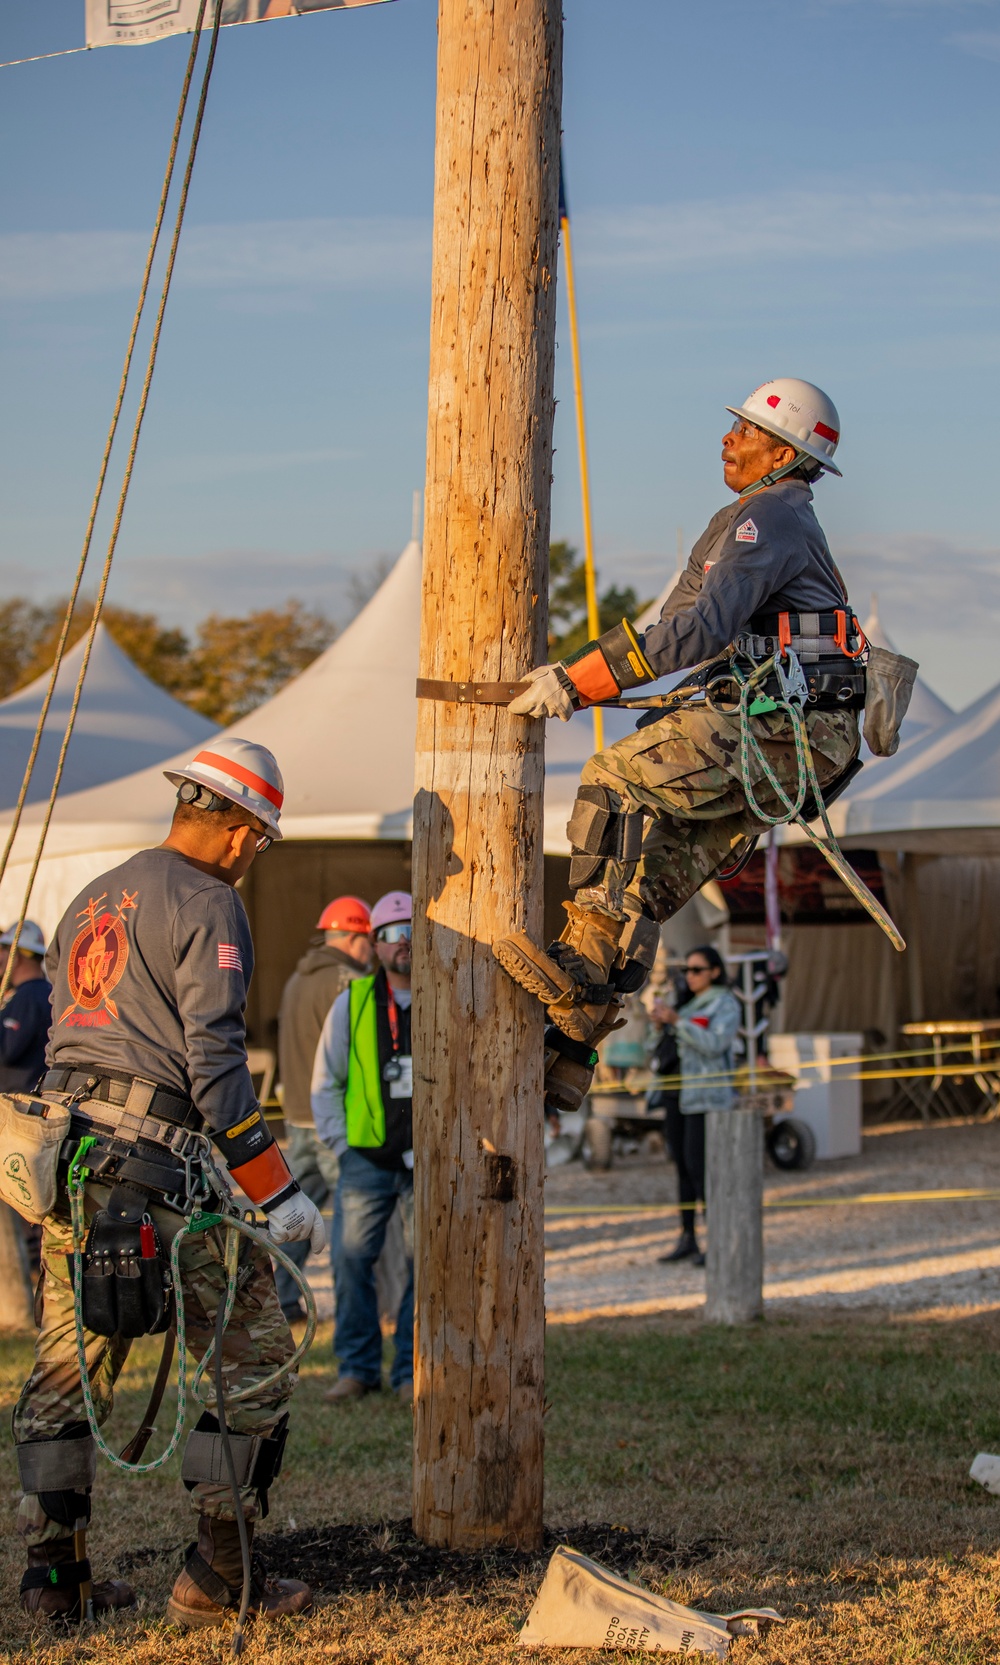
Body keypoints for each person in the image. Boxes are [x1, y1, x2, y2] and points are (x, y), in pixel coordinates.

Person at [12, 737, 324, 1627]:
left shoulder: (87, 897)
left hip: (73, 1173)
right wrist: (274, 1189)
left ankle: (53, 1582)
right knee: (256, 1357)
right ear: (237, 831)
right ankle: (220, 1576)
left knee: (70, 1370)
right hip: (157, 1176)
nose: (255, 854)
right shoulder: (210, 901)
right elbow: (215, 1062)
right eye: (260, 839)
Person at [495, 379, 864, 1115]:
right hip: (799, 738)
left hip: (794, 732)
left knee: (612, 777)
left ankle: (581, 967)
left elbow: (698, 631)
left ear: (784, 453)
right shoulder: (743, 520)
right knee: (649, 876)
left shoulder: (770, 515)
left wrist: (578, 679)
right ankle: (574, 1047)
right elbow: (681, 632)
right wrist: (607, 683)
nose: (728, 439)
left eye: (745, 432)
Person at [312, 890, 414, 1403]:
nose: (405, 944)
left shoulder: (448, 1001)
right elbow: (324, 1082)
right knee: (351, 1262)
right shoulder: (349, 1003)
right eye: (393, 933)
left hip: (431, 1160)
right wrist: (342, 1147)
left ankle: (413, 1371)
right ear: (374, 943)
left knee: (427, 1267)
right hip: (366, 1160)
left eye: (414, 931)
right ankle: (357, 1368)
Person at [274, 896, 373, 1322]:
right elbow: (359, 1055)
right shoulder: (349, 982)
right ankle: (358, 1311)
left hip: (297, 1116)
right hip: (335, 1122)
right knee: (354, 1223)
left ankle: (279, 1299)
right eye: (369, 940)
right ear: (354, 938)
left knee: (297, 1218)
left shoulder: (298, 979)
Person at [653, 947, 740, 1266]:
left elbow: (715, 1044)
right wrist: (662, 1025)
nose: (689, 976)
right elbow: (661, 1047)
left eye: (696, 970)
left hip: (704, 1096)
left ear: (715, 971)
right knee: (681, 1166)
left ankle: (718, 1240)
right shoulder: (686, 1002)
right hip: (676, 1093)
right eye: (686, 970)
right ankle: (687, 1237)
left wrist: (678, 1022)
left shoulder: (725, 1003)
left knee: (700, 1167)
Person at [0, 921, 52, 1093]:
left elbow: (8, 1051)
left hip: (15, 1104)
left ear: (16, 956)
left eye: (3, 949)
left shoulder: (26, 998)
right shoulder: (48, 993)